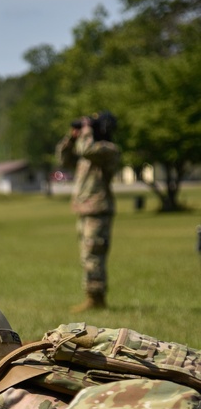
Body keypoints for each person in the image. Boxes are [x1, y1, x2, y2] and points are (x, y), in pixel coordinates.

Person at [56, 111, 121, 312]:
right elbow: (64, 158)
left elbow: (86, 150)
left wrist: (86, 133)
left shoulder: (107, 149)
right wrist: (71, 137)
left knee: (94, 253)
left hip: (98, 209)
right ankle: (92, 296)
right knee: (86, 255)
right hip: (85, 209)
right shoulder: (88, 149)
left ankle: (96, 297)